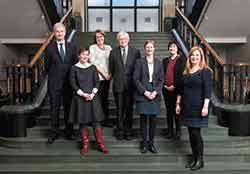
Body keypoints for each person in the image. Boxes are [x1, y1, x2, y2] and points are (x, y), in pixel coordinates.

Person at [176, 46, 212, 171]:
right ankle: (194, 158)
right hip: (187, 107)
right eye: (192, 55)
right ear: (189, 57)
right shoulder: (186, 72)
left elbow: (208, 91)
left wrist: (205, 106)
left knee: (196, 134)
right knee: (191, 134)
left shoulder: (205, 71)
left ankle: (200, 160)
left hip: (199, 107)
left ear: (201, 57)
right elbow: (181, 90)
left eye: (197, 55)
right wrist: (178, 104)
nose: (194, 57)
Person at [69, 48, 108, 155]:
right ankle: (85, 145)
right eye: (83, 54)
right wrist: (82, 93)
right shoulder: (74, 68)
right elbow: (72, 83)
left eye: (87, 54)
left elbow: (97, 82)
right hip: (80, 97)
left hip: (92, 97)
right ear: (79, 56)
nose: (85, 56)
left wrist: (92, 94)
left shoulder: (92, 67)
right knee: (83, 122)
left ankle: (100, 143)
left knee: (96, 122)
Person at [45, 22, 78, 144]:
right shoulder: (49, 48)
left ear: (65, 33)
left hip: (69, 84)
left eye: (61, 31)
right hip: (54, 85)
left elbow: (75, 64)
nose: (59, 33)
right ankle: (54, 133)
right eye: (57, 31)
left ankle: (69, 132)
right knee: (54, 109)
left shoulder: (72, 47)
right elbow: (47, 67)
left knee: (68, 109)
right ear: (54, 33)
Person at [109, 31, 141, 140]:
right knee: (119, 110)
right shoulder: (113, 52)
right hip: (118, 85)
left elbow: (138, 69)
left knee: (129, 109)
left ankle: (128, 131)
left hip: (131, 86)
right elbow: (112, 70)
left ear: (128, 40)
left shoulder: (135, 52)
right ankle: (120, 131)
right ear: (118, 40)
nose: (123, 41)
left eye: (125, 39)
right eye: (121, 39)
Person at [133, 40, 164, 153]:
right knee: (143, 120)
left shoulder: (159, 62)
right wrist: (144, 92)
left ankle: (151, 143)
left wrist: (155, 92)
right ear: (145, 49)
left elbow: (161, 79)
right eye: (147, 47)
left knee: (153, 120)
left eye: (151, 47)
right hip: (143, 93)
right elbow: (135, 79)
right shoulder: (139, 62)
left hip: (155, 94)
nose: (149, 49)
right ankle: (144, 143)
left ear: (154, 49)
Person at [89, 30, 112, 127]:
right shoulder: (92, 47)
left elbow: (112, 61)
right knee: (96, 99)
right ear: (95, 38)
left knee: (104, 99)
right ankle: (94, 120)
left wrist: (110, 74)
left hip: (107, 78)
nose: (100, 38)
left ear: (104, 37)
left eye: (101, 36)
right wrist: (103, 73)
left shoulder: (108, 48)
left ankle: (104, 120)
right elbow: (93, 63)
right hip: (96, 78)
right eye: (97, 37)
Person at [162, 41, 183, 140]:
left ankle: (178, 131)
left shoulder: (181, 60)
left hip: (177, 90)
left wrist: (174, 85)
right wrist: (164, 85)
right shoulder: (165, 60)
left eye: (174, 47)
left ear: (177, 48)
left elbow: (182, 76)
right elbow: (162, 74)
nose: (172, 48)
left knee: (177, 110)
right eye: (170, 47)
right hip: (166, 89)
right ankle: (170, 131)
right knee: (169, 111)